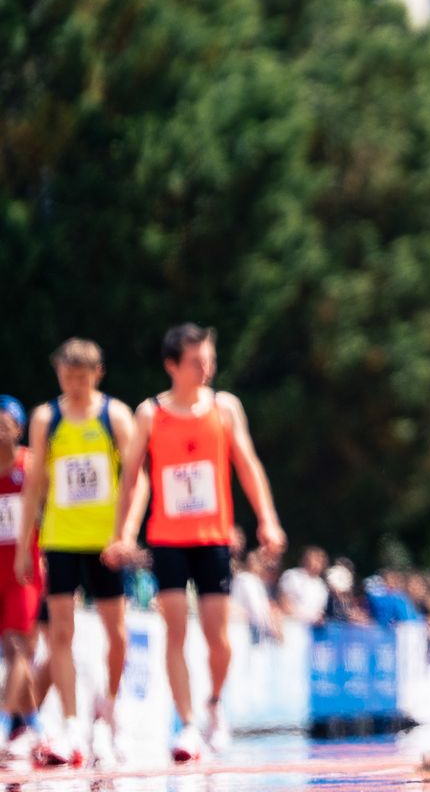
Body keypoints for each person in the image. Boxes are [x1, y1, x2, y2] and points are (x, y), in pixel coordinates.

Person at [103, 323, 286, 762]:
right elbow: (131, 480)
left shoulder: (225, 408)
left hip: (213, 540)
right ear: (172, 366)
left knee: (218, 638)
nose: (206, 368)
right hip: (167, 538)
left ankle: (214, 706)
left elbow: (248, 465)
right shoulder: (150, 414)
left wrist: (268, 521)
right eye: (196, 362)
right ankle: (185, 725)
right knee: (175, 630)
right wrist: (122, 533)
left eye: (210, 360)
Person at [15, 338, 140, 768]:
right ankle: (70, 722)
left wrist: (125, 532)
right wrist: (23, 547)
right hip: (61, 538)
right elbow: (33, 485)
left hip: (105, 542)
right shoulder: (46, 417)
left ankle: (107, 708)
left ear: (97, 374)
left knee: (116, 632)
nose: (75, 386)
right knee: (61, 633)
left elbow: (136, 477)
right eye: (68, 378)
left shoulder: (115, 415)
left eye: (83, 379)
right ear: (59, 374)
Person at [0, 397, 44, 762]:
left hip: (24, 570)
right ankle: (32, 724)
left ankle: (5, 721)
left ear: (18, 428)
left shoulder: (31, 465)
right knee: (12, 652)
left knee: (18, 648)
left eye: (4, 424)